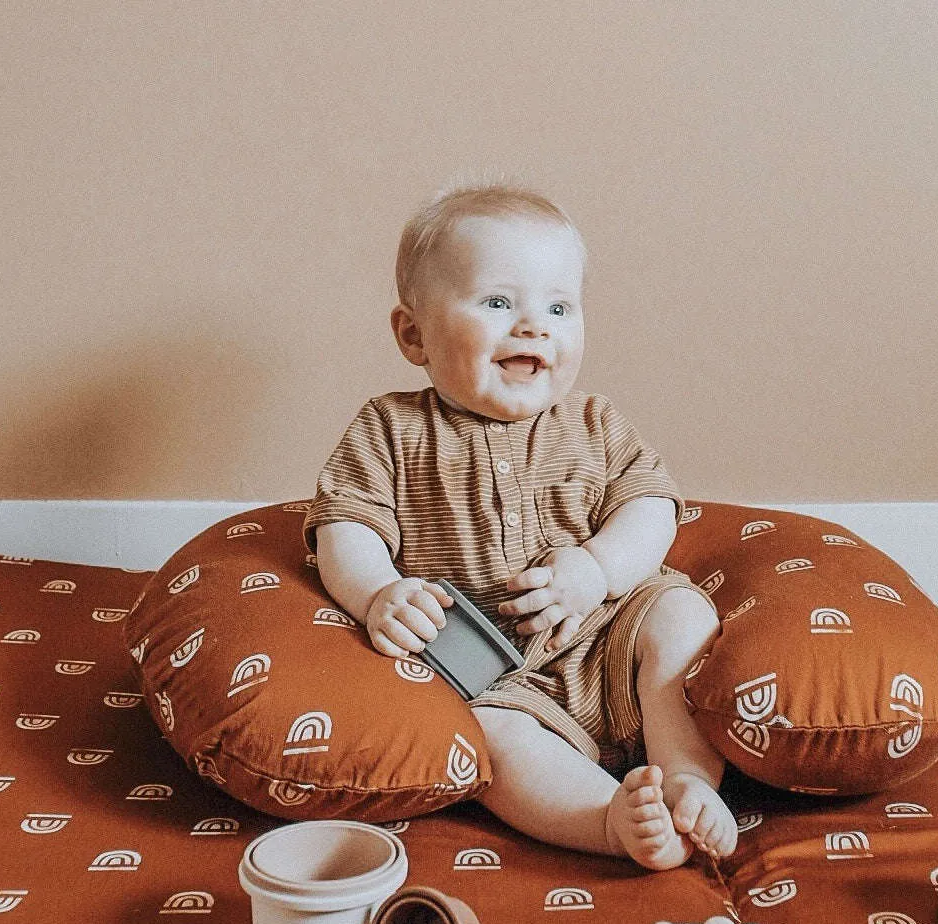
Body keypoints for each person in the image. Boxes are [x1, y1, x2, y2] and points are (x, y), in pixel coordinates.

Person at [303, 181, 737, 869]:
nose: (535, 325)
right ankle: (607, 820)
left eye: (560, 306)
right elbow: (345, 527)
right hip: (500, 678)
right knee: (487, 737)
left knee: (682, 615)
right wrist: (378, 593)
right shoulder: (389, 428)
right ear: (413, 334)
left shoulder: (594, 423)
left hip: (610, 639)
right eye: (499, 302)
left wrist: (596, 569)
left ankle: (687, 781)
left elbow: (650, 505)